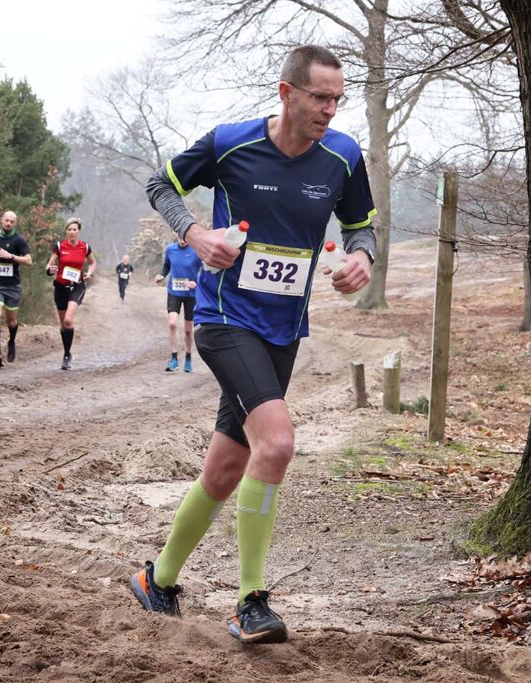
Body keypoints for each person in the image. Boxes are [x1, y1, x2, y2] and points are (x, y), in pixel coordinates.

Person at [130, 45, 376, 644]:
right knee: (279, 442)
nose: (329, 110)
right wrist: (194, 233)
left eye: (338, 100)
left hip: (283, 328)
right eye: (320, 97)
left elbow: (360, 223)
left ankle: (156, 581)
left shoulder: (342, 157)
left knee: (227, 465)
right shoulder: (230, 143)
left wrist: (362, 257)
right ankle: (250, 602)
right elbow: (159, 186)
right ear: (286, 93)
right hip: (222, 317)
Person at [0, 210, 32, 367]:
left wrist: (12, 257)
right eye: (6, 220)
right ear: (1, 220)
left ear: (15, 223)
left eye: (12, 221)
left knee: (11, 321)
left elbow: (29, 261)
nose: (8, 223)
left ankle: (11, 341)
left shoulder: (19, 240)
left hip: (12, 287)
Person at [44, 217, 97, 370]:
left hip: (77, 286)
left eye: (75, 230)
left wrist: (89, 273)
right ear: (66, 231)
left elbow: (93, 262)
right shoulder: (60, 246)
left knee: (68, 320)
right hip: (60, 287)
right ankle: (67, 352)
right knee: (63, 325)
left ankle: (67, 355)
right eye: (69, 229)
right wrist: (50, 270)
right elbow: (50, 264)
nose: (72, 232)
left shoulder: (84, 247)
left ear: (78, 231)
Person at [153, 237, 201, 373]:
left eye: (184, 236)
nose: (182, 239)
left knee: (188, 330)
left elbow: (204, 270)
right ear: (176, 234)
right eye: (179, 236)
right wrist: (161, 275)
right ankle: (174, 359)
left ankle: (188, 357)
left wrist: (196, 283)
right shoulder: (171, 249)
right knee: (172, 324)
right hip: (174, 291)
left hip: (191, 294)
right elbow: (167, 265)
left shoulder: (196, 249)